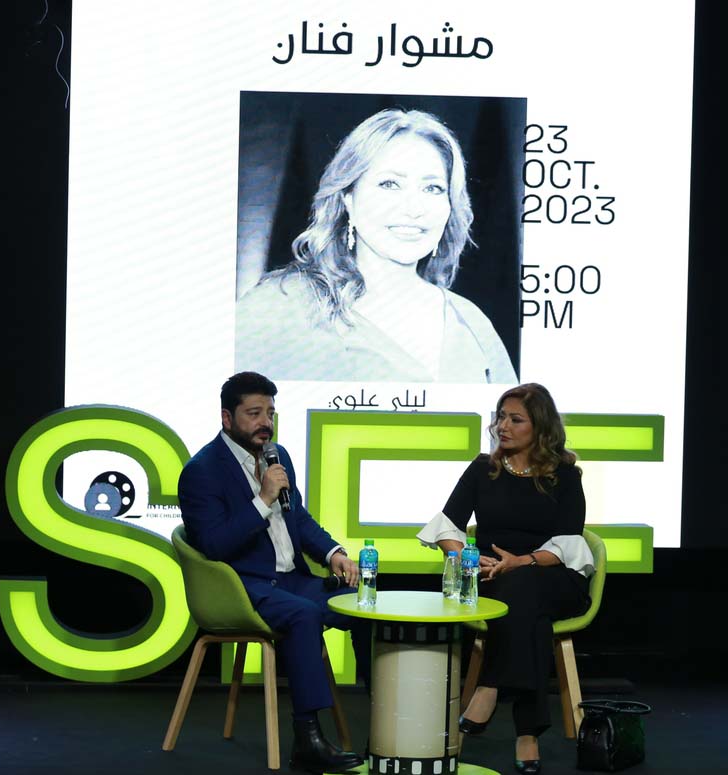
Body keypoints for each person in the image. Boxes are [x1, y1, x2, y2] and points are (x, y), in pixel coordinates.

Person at [236, 108, 516, 383]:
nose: (414, 208)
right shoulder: (279, 308)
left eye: (432, 188)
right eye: (389, 184)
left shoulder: (471, 323)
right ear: (348, 198)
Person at [178, 371, 368, 774]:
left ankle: (385, 717)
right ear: (227, 418)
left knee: (366, 605)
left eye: (270, 413)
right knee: (303, 615)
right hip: (242, 586)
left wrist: (332, 552)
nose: (265, 422)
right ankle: (308, 738)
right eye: (254, 413)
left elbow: (297, 518)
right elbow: (212, 545)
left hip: (293, 580)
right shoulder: (202, 471)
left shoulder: (276, 455)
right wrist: (262, 499)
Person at [416, 383, 594, 775]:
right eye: (500, 417)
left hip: (553, 576)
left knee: (523, 585)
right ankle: (528, 734)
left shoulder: (565, 476)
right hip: (493, 578)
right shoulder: (484, 469)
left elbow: (568, 543)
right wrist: (462, 555)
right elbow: (447, 526)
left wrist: (523, 561)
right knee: (528, 613)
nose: (503, 426)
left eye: (515, 419)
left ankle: (489, 686)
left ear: (540, 427)